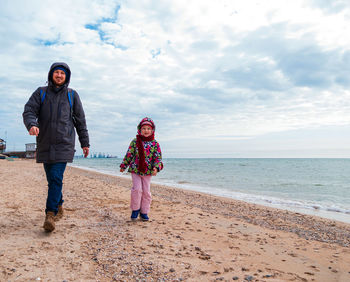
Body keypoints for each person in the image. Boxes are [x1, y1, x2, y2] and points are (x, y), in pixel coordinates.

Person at [23, 62, 90, 232]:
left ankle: (50, 215)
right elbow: (29, 110)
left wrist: (85, 143)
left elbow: (80, 121)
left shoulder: (72, 95)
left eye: (62, 73)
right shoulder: (41, 92)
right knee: (52, 179)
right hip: (45, 143)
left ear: (67, 76)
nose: (59, 75)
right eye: (56, 72)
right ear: (51, 74)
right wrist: (31, 124)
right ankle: (59, 204)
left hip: (64, 144)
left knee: (55, 178)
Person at [120, 117, 163, 221]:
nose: (146, 131)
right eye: (144, 128)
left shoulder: (155, 143)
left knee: (146, 192)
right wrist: (123, 165)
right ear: (140, 129)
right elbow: (129, 154)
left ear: (152, 130)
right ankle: (135, 209)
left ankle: (144, 212)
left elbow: (158, 158)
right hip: (135, 170)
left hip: (148, 172)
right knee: (137, 190)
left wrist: (156, 168)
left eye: (149, 128)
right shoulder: (135, 142)